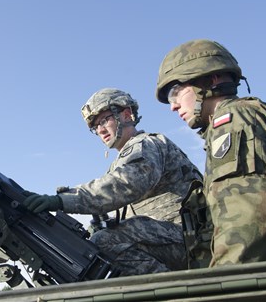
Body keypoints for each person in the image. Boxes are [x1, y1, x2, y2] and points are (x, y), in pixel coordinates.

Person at [23, 88, 203, 276]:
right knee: (91, 247)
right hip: (173, 239)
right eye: (95, 127)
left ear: (126, 115)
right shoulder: (123, 160)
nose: (100, 130)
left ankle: (173, 292)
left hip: (187, 238)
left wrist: (62, 201)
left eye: (104, 120)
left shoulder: (145, 144)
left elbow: (127, 184)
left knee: (104, 242)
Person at [155, 39, 266, 267]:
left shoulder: (233, 121)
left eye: (175, 92)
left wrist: (224, 285)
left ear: (211, 79)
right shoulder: (247, 119)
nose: (173, 106)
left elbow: (246, 226)